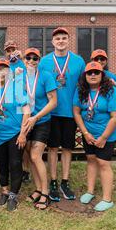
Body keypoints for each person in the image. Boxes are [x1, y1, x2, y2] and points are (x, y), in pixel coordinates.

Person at [39, 27, 86, 201]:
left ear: (68, 40)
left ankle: (64, 181)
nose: (60, 41)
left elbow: (83, 85)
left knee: (67, 147)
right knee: (52, 148)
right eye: (57, 38)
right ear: (52, 42)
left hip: (70, 112)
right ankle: (52, 181)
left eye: (64, 38)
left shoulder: (78, 61)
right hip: (51, 112)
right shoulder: (44, 62)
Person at [73, 61, 116, 212]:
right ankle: (90, 191)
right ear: (85, 75)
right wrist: (85, 133)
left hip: (106, 134)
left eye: (96, 72)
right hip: (89, 134)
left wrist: (103, 137)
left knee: (103, 163)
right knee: (91, 159)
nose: (93, 75)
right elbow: (76, 112)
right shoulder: (81, 90)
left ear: (102, 74)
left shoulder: (111, 91)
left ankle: (107, 199)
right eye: (90, 73)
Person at [0, 59, 30, 212]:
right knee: (1, 163)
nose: (1, 72)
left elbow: (27, 111)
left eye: (5, 69)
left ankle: (13, 195)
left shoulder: (16, 87)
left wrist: (22, 133)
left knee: (15, 163)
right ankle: (5, 191)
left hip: (15, 133)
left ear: (10, 72)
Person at [21, 48, 57, 210]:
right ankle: (37, 188)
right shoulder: (19, 77)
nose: (31, 61)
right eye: (28, 58)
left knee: (36, 156)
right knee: (29, 154)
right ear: (23, 59)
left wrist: (36, 117)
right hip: (26, 120)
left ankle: (45, 192)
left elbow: (53, 102)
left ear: (39, 60)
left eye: (35, 58)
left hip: (41, 121)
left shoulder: (46, 76)